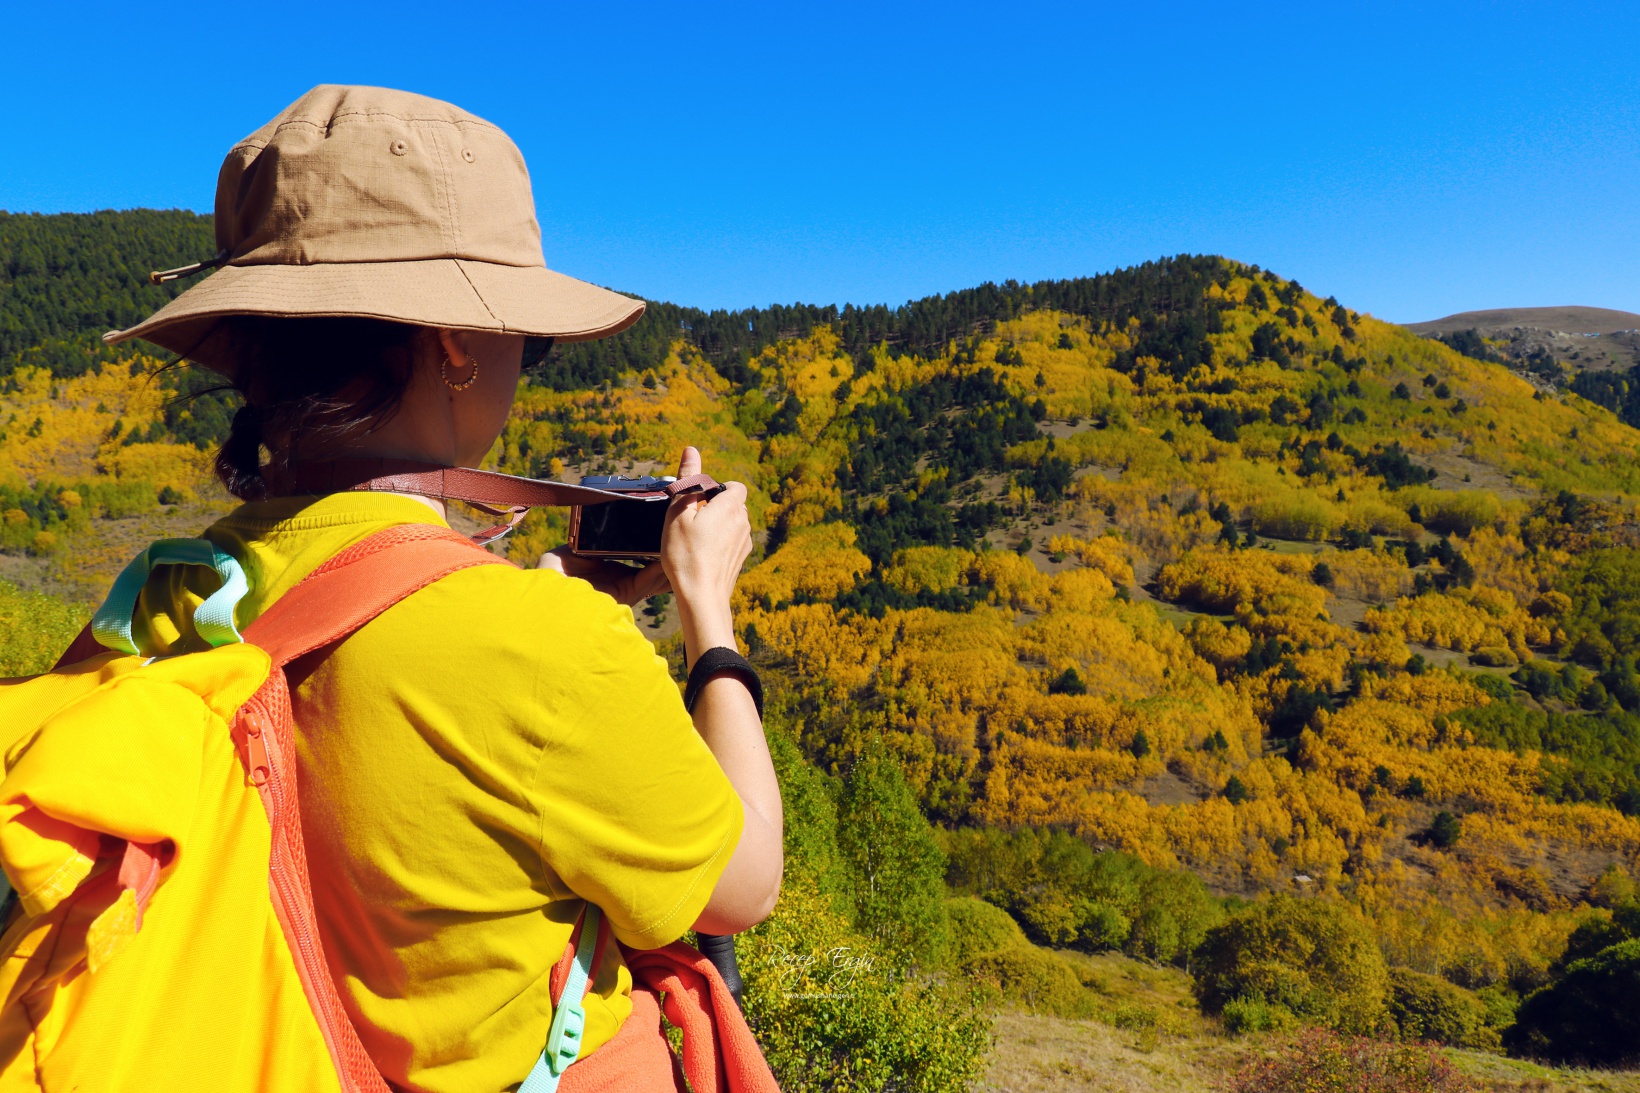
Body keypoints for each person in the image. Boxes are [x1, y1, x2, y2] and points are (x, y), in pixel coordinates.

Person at [103, 85, 782, 1092]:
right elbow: (741, 882)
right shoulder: (535, 643)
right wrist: (707, 614)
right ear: (455, 341)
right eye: (527, 336)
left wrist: (581, 609)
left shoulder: (158, 597)